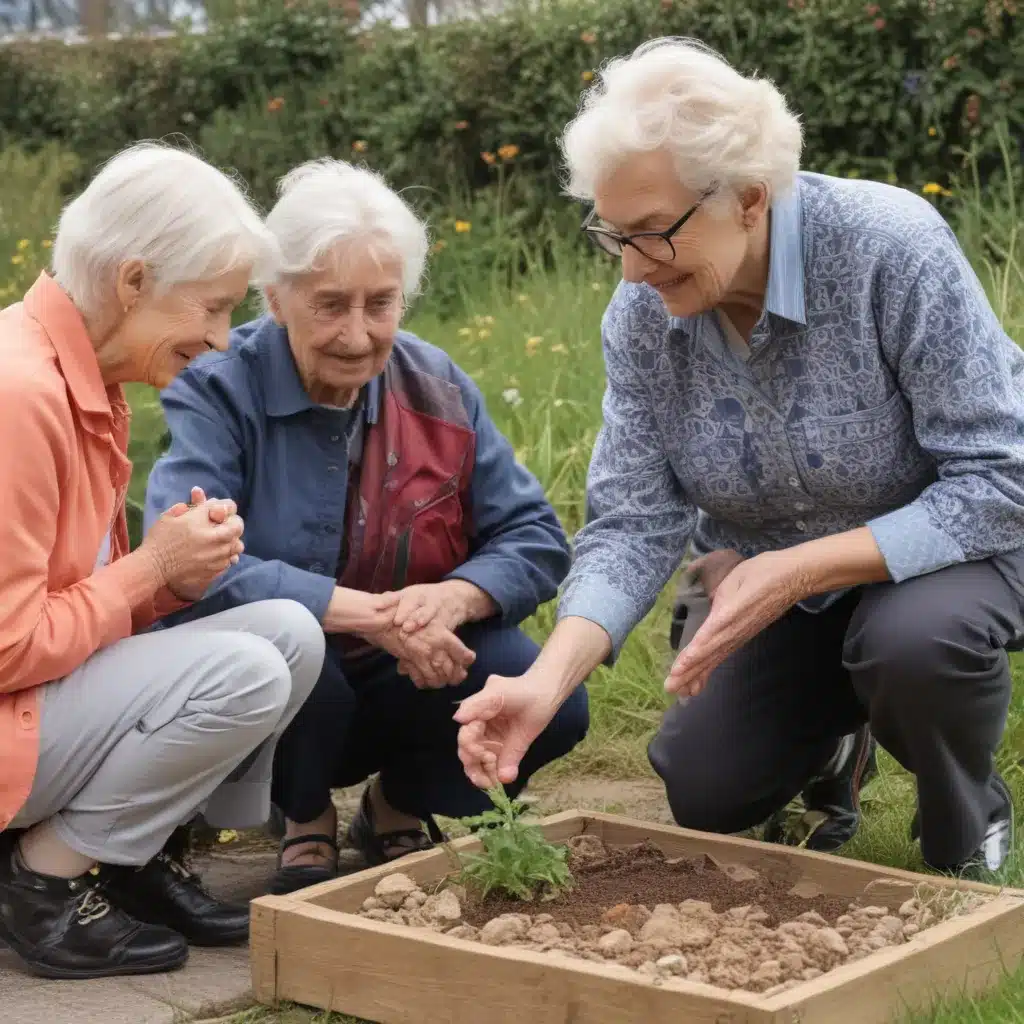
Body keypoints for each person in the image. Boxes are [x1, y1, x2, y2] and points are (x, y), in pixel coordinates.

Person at [454, 37, 1024, 880]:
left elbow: (1001, 477)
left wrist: (801, 568)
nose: (632, 269)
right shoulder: (643, 317)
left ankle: (964, 827)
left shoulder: (887, 248)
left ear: (751, 199)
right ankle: (838, 745)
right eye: (612, 236)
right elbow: (633, 521)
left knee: (912, 646)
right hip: (771, 586)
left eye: (652, 234)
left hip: (947, 559)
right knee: (706, 788)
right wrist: (546, 681)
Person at [144, 158, 590, 896]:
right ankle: (303, 813)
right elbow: (189, 558)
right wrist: (371, 615)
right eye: (330, 305)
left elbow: (536, 538)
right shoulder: (216, 388)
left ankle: (395, 805)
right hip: (283, 687)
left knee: (553, 696)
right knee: (296, 650)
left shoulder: (437, 387)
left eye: (380, 303)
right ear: (275, 298)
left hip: (404, 671)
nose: (358, 335)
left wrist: (453, 599)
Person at [0, 142, 326, 980]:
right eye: (212, 308)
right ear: (134, 281)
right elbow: (7, 649)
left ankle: (130, 861)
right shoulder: (20, 394)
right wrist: (148, 571)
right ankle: (41, 883)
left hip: (33, 708)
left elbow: (76, 608)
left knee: (290, 633)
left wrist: (170, 582)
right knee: (248, 671)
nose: (222, 342)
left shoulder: (86, 379)